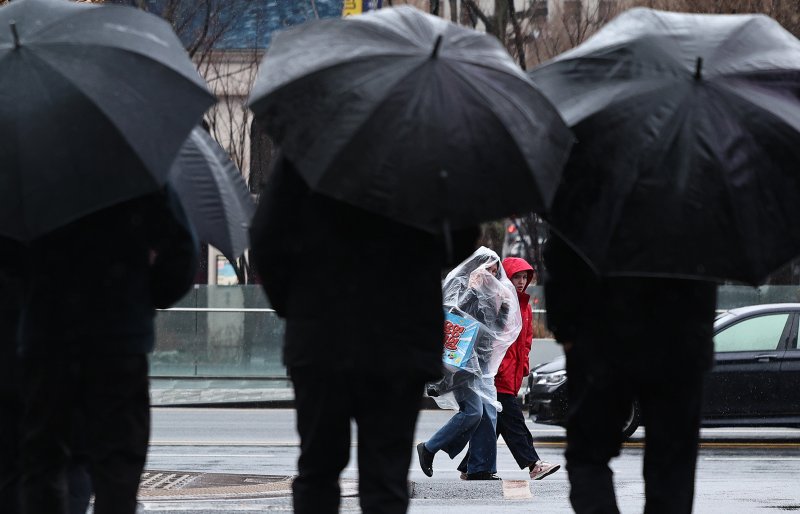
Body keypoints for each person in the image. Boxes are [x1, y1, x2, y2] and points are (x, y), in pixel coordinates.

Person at [249, 153, 478, 514]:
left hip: (322, 332)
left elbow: (265, 238)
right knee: (386, 477)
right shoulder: (422, 155)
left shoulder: (310, 154)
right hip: (400, 335)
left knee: (318, 470)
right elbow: (462, 238)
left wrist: (292, 305)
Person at [17, 186, 198, 514]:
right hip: (118, 336)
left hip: (49, 335)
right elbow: (182, 255)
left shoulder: (27, 172)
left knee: (44, 463)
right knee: (118, 468)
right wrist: (142, 297)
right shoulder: (133, 172)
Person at [543, 233, 717, 514]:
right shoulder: (697, 200)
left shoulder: (591, 198)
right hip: (679, 343)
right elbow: (711, 266)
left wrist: (566, 330)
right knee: (672, 466)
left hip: (602, 337)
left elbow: (559, 254)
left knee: (588, 456)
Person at [417, 247, 521, 481]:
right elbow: (454, 316)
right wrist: (473, 291)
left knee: (488, 412)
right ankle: (430, 448)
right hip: (460, 363)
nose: (492, 276)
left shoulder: (493, 294)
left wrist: (503, 304)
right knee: (474, 412)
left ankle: (480, 467)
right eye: (488, 270)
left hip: (479, 362)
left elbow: (495, 329)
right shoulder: (463, 286)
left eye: (496, 272)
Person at [456, 256, 560, 480]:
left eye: (525, 277)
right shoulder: (500, 302)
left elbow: (526, 342)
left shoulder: (524, 306)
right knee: (514, 422)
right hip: (498, 375)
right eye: (517, 276)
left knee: (494, 425)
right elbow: (490, 339)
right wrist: (500, 370)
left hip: (511, 376)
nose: (522, 281)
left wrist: (522, 368)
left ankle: (469, 466)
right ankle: (533, 464)